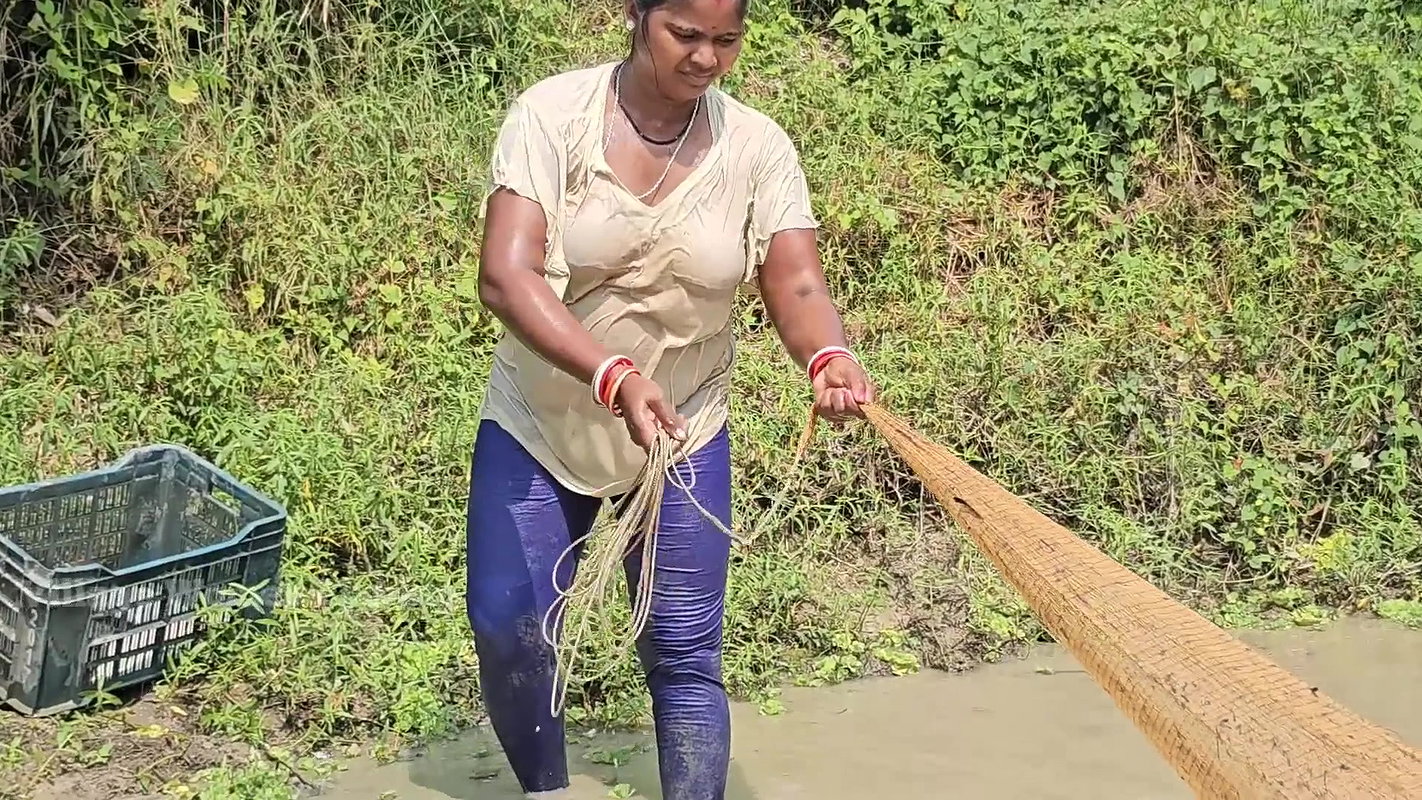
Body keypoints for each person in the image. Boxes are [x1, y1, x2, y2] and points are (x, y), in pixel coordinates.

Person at [465, 0, 875, 797]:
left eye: (726, 40)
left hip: (682, 423)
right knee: (507, 627)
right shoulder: (554, 117)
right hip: (546, 419)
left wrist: (826, 354)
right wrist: (613, 376)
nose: (705, 58)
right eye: (684, 34)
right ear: (637, 16)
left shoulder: (755, 147)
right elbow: (505, 275)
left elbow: (794, 279)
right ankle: (546, 790)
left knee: (685, 653)